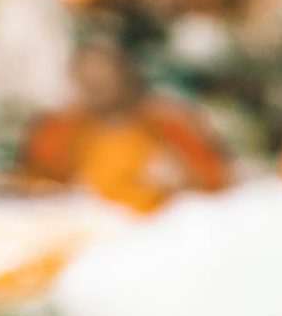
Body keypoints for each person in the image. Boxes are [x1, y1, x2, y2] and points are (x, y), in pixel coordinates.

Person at [18, 26, 230, 211]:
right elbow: (34, 186)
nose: (96, 82)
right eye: (88, 77)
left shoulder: (168, 120)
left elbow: (215, 181)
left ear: (126, 73)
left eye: (104, 73)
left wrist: (183, 179)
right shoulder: (59, 128)